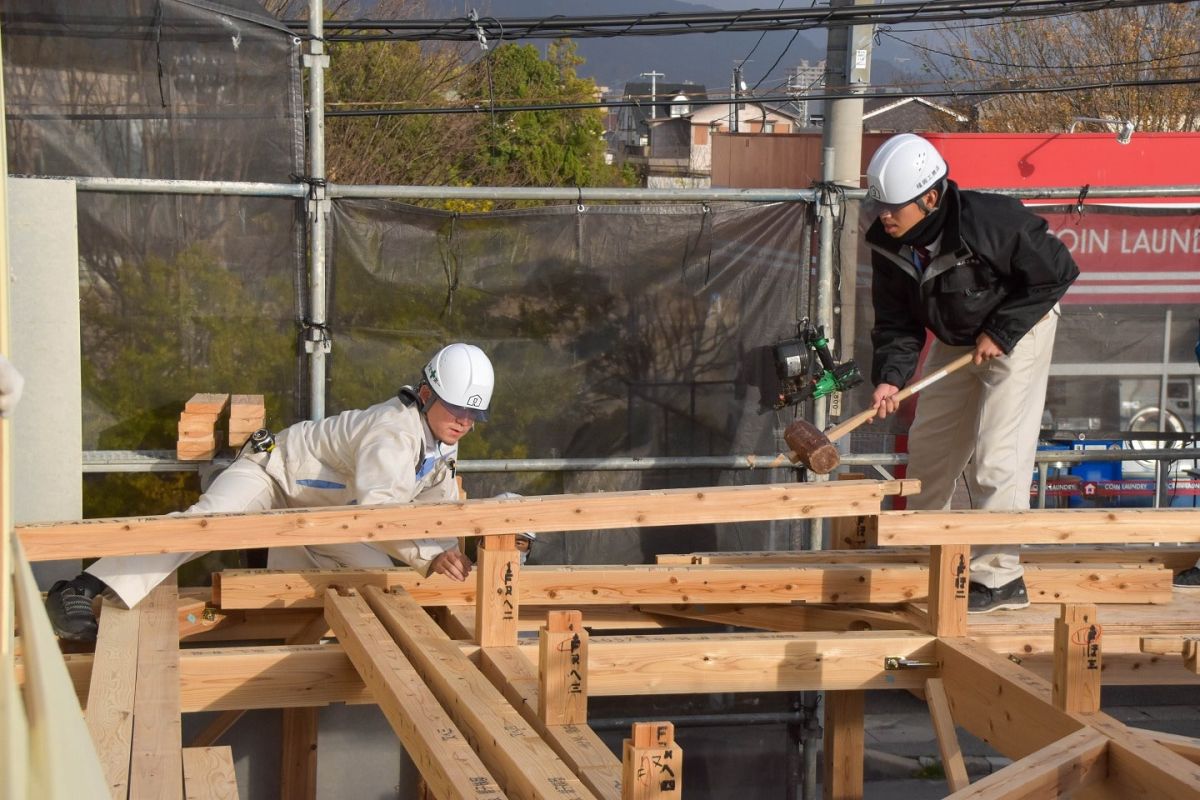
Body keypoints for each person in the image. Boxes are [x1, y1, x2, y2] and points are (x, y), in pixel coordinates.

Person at [46, 342, 494, 641]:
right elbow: (382, 511)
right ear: (425, 394)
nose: (464, 422)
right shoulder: (393, 431)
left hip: (327, 513)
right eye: (455, 408)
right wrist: (429, 554)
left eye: (473, 416)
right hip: (274, 475)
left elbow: (436, 506)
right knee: (206, 527)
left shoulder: (440, 442)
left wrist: (449, 552)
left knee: (376, 574)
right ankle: (83, 587)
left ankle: (286, 621)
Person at [864, 133, 1079, 614]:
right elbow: (897, 322)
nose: (884, 214)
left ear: (931, 197)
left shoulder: (990, 222)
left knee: (998, 454)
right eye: (879, 204)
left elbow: (1058, 270)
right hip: (957, 334)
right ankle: (923, 556)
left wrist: (1002, 331)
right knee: (931, 446)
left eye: (893, 206)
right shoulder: (887, 243)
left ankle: (999, 577)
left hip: (1021, 328)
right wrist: (891, 378)